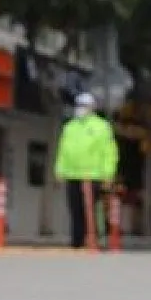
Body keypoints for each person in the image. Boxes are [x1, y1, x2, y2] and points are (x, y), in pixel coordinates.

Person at [55, 91, 118, 248]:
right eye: (79, 105)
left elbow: (109, 152)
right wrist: (59, 170)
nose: (80, 109)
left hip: (94, 175)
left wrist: (108, 174)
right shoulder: (70, 127)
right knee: (75, 209)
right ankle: (77, 242)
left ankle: (95, 239)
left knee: (91, 209)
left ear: (92, 108)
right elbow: (63, 150)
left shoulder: (101, 126)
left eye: (84, 106)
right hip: (73, 175)